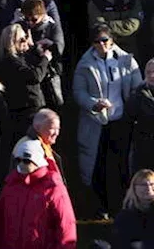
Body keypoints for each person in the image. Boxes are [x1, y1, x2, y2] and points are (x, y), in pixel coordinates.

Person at [74, 24, 141, 216]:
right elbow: (79, 92)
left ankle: (123, 205)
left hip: (121, 121)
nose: (102, 45)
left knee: (121, 164)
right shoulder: (85, 64)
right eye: (97, 42)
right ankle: (100, 207)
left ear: (111, 41)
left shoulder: (127, 60)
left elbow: (137, 88)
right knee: (99, 166)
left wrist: (131, 108)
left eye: (105, 40)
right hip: (97, 123)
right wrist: (94, 103)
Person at [0, 138, 76, 249]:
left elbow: (66, 226)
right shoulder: (10, 185)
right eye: (18, 160)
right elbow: (0, 222)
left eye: (26, 160)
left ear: (37, 161)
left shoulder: (54, 187)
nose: (21, 164)